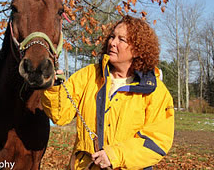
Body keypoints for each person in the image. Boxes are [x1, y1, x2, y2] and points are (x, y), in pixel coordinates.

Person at [41, 15, 174, 170]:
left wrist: (115, 155)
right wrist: (54, 86)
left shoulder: (154, 90)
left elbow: (157, 141)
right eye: (112, 37)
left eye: (121, 40)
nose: (112, 43)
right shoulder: (89, 75)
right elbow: (60, 115)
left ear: (138, 49)